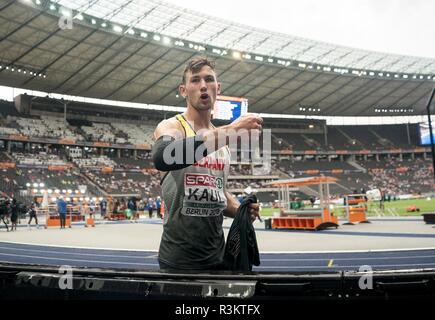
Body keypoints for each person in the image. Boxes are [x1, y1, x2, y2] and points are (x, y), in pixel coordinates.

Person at [152, 57, 261, 272]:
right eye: (195, 81)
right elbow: (163, 156)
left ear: (217, 88)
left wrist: (240, 210)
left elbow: (216, 191)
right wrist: (232, 130)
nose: (203, 85)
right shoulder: (173, 126)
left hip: (219, 257)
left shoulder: (223, 146)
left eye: (209, 79)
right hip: (179, 261)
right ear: (183, 90)